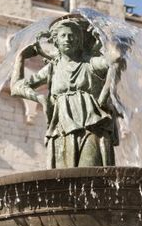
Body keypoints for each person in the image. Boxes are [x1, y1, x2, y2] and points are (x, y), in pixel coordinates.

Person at [10, 14, 120, 168]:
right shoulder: (52, 68)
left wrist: (103, 96)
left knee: (89, 172)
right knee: (62, 178)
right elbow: (16, 87)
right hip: (60, 130)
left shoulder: (90, 63)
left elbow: (114, 62)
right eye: (63, 36)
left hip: (91, 125)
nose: (68, 39)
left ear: (79, 40)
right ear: (56, 41)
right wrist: (20, 59)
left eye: (72, 36)